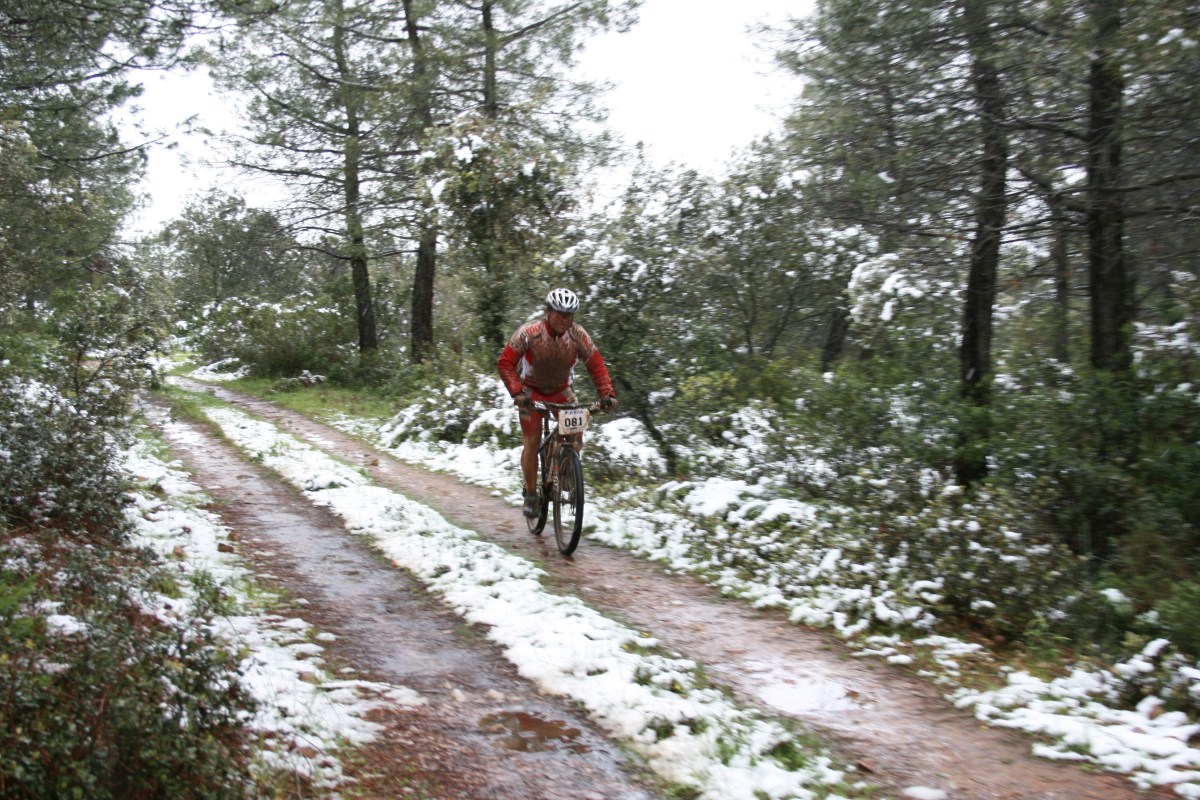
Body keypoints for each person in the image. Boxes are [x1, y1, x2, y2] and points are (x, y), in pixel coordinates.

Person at [497, 287, 618, 517]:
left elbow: (596, 365)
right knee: (532, 443)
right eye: (560, 314)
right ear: (548, 312)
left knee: (576, 436)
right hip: (531, 391)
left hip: (561, 391)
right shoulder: (529, 332)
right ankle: (531, 493)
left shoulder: (578, 335)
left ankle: (565, 466)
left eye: (569, 315)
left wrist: (607, 394)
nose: (564, 320)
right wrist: (517, 393)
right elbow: (505, 363)